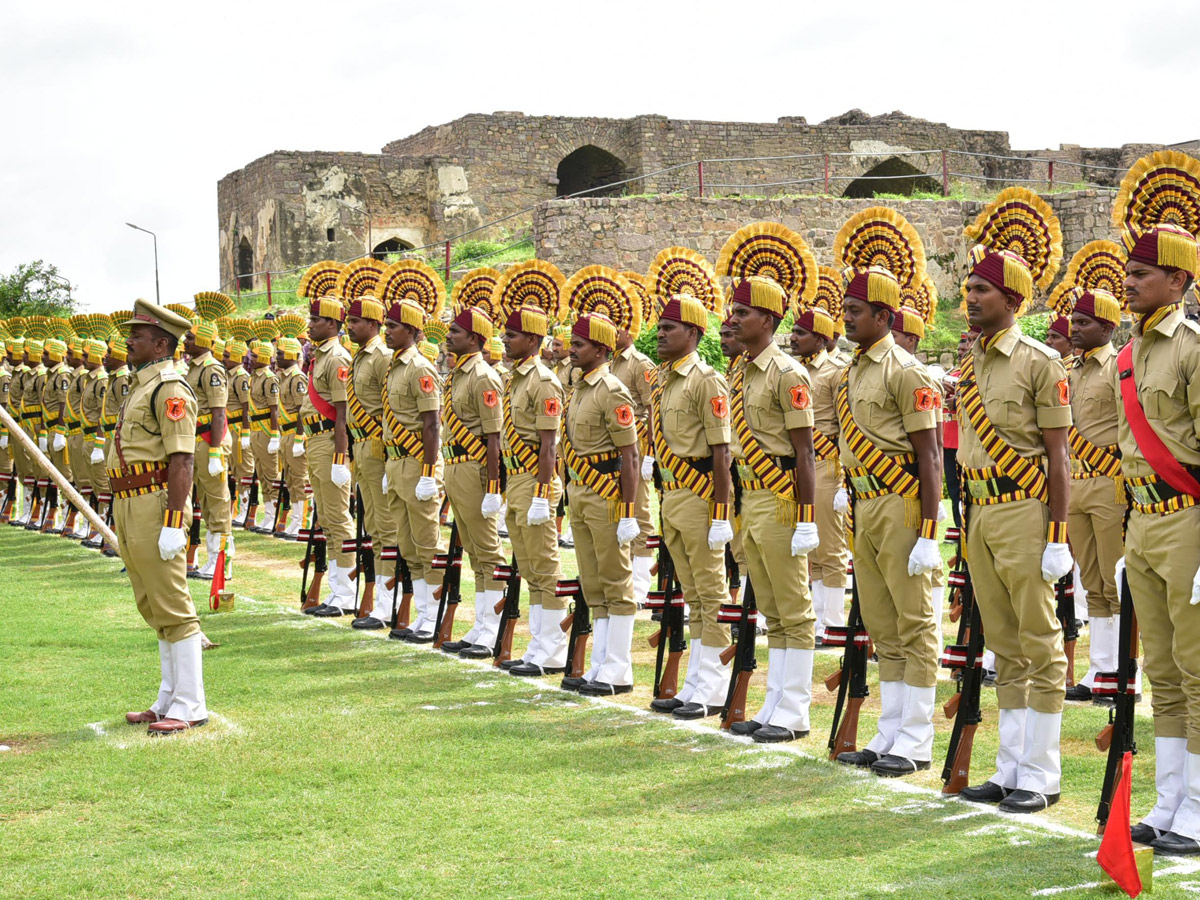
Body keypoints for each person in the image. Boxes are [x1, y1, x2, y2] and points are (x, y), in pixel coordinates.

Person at [955, 187, 1071, 813]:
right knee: (1003, 643)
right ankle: (1011, 768)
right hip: (979, 511)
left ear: (1014, 300)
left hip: (1026, 511)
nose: (969, 299)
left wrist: (1057, 535)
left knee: (1038, 640)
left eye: (981, 291)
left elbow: (1058, 456)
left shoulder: (1039, 363)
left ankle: (1043, 774)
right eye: (968, 289)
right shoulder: (968, 363)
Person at [828, 207, 944, 778]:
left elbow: (929, 458)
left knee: (915, 621)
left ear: (884, 315)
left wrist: (929, 529)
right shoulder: (851, 369)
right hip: (865, 504)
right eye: (844, 310)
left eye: (854, 311)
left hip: (901, 505)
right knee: (882, 622)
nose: (844, 318)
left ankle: (917, 738)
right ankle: (890, 730)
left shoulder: (908, 372)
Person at [1109, 151, 1200, 854]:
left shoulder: (1191, 347)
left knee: (1199, 672)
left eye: (1139, 274)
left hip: (1190, 522)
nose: (1127, 284)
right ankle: (1172, 804)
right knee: (1161, 672)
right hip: (1143, 522)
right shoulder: (1129, 353)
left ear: (1177, 279)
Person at [112, 299, 208, 735]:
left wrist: (174, 521)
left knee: (172, 601)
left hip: (155, 502)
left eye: (138, 335)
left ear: (160, 344)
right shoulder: (141, 384)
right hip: (129, 500)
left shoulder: (170, 387)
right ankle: (168, 695)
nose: (128, 340)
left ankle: (190, 703)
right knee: (150, 601)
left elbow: (182, 459)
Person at [646, 292, 734, 718]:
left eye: (669, 328)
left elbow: (721, 452)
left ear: (695, 333)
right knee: (692, 594)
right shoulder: (663, 379)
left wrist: (721, 513)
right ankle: (697, 681)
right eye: (660, 327)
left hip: (700, 497)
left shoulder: (706, 380)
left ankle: (714, 686)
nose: (660, 334)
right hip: (672, 496)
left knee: (711, 592)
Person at [561, 304, 641, 696]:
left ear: (600, 348)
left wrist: (628, 511)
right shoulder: (578, 386)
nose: (570, 349)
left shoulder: (613, 390)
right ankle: (600, 664)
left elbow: (630, 455)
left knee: (615, 581)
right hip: (579, 493)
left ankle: (619, 668)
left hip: (606, 495)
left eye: (579, 344)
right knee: (593, 583)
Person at [1056, 274, 1128, 704]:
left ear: (1106, 327)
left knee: (1116, 578)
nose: (1074, 329)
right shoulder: (1067, 369)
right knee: (1092, 580)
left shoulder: (1121, 367)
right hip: (1076, 483)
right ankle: (1100, 665)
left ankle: (1122, 668)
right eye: (1073, 322)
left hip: (1110, 484)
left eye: (1083, 323)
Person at [497, 303, 569, 676]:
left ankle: (553, 649)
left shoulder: (543, 380)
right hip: (517, 479)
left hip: (534, 479)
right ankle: (539, 644)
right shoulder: (516, 378)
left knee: (544, 566)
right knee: (528, 567)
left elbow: (549, 445)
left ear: (533, 339)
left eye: (511, 335)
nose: (504, 340)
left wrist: (542, 494)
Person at [437, 306, 508, 657]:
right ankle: (481, 624)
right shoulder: (457, 374)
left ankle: (493, 628)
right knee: (474, 552)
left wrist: (494, 487)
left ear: (475, 338)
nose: (449, 336)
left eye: (456, 332)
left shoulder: (483, 376)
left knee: (487, 549)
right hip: (454, 467)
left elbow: (494, 437)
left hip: (475, 469)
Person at [379, 298, 444, 642]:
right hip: (396, 461)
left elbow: (431, 424)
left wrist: (429, 473)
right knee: (407, 545)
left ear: (413, 331)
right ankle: (423, 614)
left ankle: (435, 617)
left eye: (392, 326)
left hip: (418, 463)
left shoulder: (420, 368)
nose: (387, 331)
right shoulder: (395, 366)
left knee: (426, 543)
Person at [790, 299, 849, 645]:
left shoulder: (836, 371)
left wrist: (843, 479)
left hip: (827, 465)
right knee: (809, 547)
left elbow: (846, 426)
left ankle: (834, 621)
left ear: (820, 337)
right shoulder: (794, 370)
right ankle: (817, 618)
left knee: (830, 547)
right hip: (802, 468)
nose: (793, 337)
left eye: (800, 332)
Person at [338, 297, 398, 628]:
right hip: (362, 447)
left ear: (373, 324)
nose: (350, 325)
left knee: (386, 528)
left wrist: (390, 455)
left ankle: (388, 604)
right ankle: (382, 601)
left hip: (377, 448)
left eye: (356, 321)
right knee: (374, 527)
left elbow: (391, 411)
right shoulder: (360, 356)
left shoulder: (382, 358)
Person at [298, 296, 358, 614]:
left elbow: (342, 412)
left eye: (316, 319)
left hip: (329, 440)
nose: (310, 324)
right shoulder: (320, 356)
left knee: (338, 517)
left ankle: (346, 593)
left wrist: (340, 457)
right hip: (315, 439)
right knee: (327, 519)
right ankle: (337, 590)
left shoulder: (336, 357)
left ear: (332, 324)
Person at [610, 316, 657, 605]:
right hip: (614, 446)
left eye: (617, 326)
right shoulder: (610, 362)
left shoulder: (640, 363)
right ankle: (623, 577)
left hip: (637, 444)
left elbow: (652, 409)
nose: (612, 333)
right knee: (618, 508)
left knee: (638, 510)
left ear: (629, 329)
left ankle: (641, 585)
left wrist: (650, 452)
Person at [183, 318, 233, 579]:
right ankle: (213, 560)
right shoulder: (194, 367)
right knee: (207, 501)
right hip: (197, 440)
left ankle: (222, 562)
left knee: (218, 502)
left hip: (209, 440)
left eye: (190, 338)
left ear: (202, 340)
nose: (186, 341)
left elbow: (218, 413)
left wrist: (214, 451)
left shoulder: (211, 369)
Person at [245, 337, 283, 535]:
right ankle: (268, 513)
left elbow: (274, 409)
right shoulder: (254, 377)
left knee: (271, 474)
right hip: (255, 429)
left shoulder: (269, 378)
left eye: (255, 354)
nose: (250, 358)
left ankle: (275, 515)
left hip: (267, 429)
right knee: (261, 473)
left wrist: (275, 435)